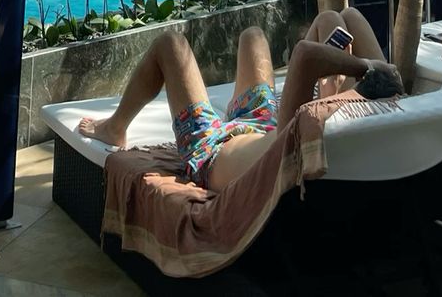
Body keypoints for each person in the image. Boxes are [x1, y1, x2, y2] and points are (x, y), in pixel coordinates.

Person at [77, 10, 403, 190]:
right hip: (264, 127)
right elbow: (337, 31)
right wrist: (338, 83)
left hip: (215, 150)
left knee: (170, 43)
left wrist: (364, 67)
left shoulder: (305, 130)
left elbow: (305, 55)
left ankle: (114, 127)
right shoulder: (375, 111)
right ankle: (358, 67)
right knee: (255, 36)